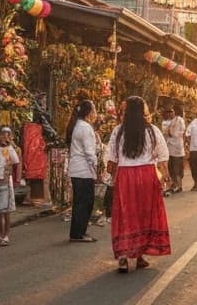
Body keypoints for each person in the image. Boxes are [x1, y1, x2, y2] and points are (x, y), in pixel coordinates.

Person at [105, 96, 170, 273]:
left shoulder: (118, 131)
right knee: (144, 215)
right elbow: (163, 157)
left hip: (125, 176)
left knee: (125, 215)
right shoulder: (152, 131)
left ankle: (124, 258)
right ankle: (140, 256)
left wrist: (110, 178)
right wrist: (165, 177)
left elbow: (111, 160)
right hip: (147, 176)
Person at [65, 99, 99, 242]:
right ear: (89, 112)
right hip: (84, 170)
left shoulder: (78, 125)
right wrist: (96, 167)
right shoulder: (85, 127)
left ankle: (77, 232)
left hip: (77, 169)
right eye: (94, 109)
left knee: (80, 202)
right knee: (86, 202)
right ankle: (79, 233)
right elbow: (89, 152)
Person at [0, 127, 22, 246]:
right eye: (2, 134)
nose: (4, 137)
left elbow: (16, 162)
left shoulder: (11, 149)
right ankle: (1, 232)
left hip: (4, 181)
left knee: (5, 210)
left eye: (7, 135)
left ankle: (6, 235)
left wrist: (14, 177)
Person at [160, 106, 186, 195]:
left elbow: (180, 132)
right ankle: (174, 185)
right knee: (171, 168)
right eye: (168, 112)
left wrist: (170, 133)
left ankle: (179, 185)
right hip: (169, 149)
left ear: (175, 112)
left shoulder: (179, 120)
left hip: (178, 149)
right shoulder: (166, 122)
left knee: (177, 168)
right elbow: (165, 133)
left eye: (171, 112)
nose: (170, 114)